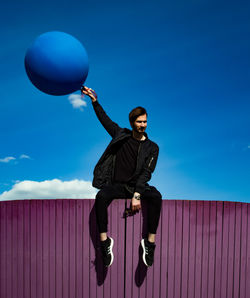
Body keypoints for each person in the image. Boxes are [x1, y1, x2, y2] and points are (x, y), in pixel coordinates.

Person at [82, 86, 162, 267]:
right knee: (101, 196)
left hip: (138, 187)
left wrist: (137, 195)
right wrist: (94, 101)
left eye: (145, 122)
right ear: (132, 122)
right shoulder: (121, 135)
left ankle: (149, 243)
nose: (143, 125)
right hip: (118, 186)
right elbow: (105, 120)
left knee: (156, 196)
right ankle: (104, 243)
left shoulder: (152, 147)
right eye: (139, 122)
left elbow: (146, 173)